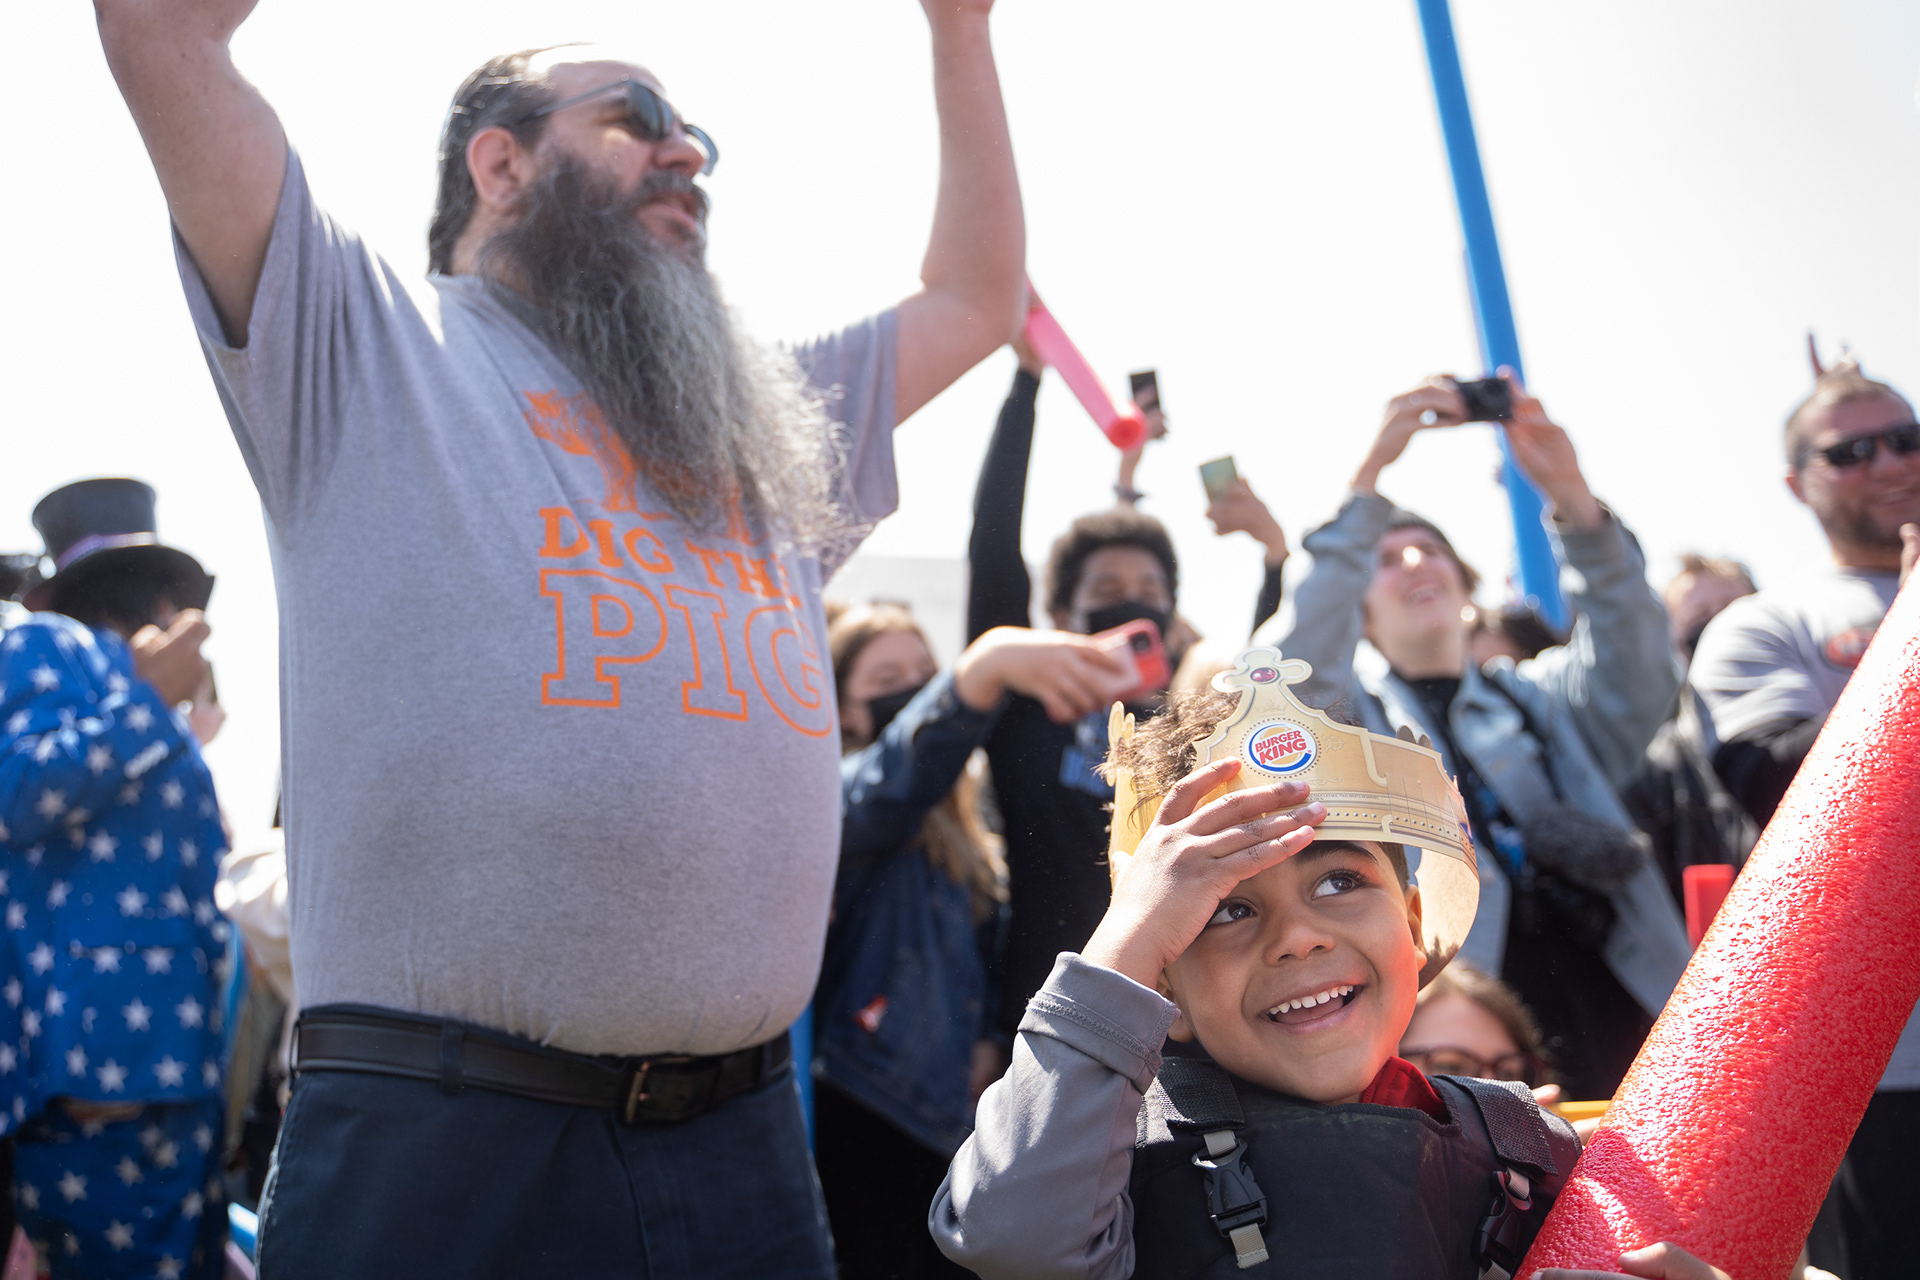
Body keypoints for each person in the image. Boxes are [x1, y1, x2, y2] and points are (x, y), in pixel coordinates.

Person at [94, 0, 1025, 1270]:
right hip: (448, 1151)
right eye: (637, 121)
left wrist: (958, 30)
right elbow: (162, 36)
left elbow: (974, 298)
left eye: (697, 135)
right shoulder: (363, 343)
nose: (687, 153)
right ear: (500, 161)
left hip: (745, 1143)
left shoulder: (752, 417)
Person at [929, 648, 1728, 1280]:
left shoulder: (1529, 1149)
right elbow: (1013, 1236)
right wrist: (1126, 943)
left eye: (1341, 881)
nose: (1299, 938)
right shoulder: (1102, 1161)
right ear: (1161, 975)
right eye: (1227, 909)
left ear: (1413, 921)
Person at [1267, 374, 1688, 1101]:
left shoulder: (1542, 700)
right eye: (1385, 558)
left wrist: (1571, 495)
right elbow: (1288, 673)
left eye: (1429, 550)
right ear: (1357, 610)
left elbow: (1639, 665)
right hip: (1466, 1055)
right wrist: (1367, 484)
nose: (1414, 564)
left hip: (1634, 1016)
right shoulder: (1344, 728)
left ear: (1464, 588)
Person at [968, 334, 1289, 1040]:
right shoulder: (1027, 717)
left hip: (1188, 1025)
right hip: (1047, 1024)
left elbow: (1273, 684)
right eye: (1108, 590)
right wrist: (1028, 384)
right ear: (1060, 617)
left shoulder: (1183, 723)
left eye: (1150, 591)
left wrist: (1275, 558)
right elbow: (992, 547)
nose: (1131, 601)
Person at [1690, 356, 1920, 1280]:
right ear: (1799, 482)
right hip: (1878, 1073)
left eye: (1907, 439)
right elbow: (1803, 797)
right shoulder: (1764, 624)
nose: (1890, 463)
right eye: (1852, 451)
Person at [814, 604, 1118, 1280]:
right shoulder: (842, 803)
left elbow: (980, 954)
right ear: (844, 713)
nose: (919, 688)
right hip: (870, 1101)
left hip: (950, 1109)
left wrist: (987, 1036)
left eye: (927, 673)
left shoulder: (970, 827)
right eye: (889, 677)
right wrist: (984, 666)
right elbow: (895, 777)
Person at [1, 478, 231, 1278]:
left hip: (181, 1069)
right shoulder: (46, 648)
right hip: (97, 1076)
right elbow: (17, 792)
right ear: (159, 597)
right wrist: (146, 701)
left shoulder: (153, 711)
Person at [1618, 556, 1759, 907]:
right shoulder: (1660, 769)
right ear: (1674, 643)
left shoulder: (1830, 699)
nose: (1720, 626)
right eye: (1699, 619)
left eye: (1731, 608)